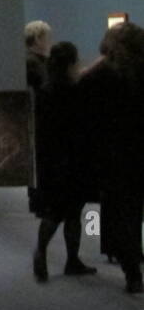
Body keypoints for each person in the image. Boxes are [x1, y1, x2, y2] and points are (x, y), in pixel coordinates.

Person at [78, 22, 144, 293]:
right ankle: (133, 255)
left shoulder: (101, 73)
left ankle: (132, 271)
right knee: (134, 207)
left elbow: (82, 101)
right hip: (139, 147)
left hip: (112, 151)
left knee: (121, 209)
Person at [30, 41, 95, 281]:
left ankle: (42, 249)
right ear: (70, 63)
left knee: (54, 210)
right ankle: (72, 259)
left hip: (51, 159)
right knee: (73, 212)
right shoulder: (74, 91)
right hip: (73, 158)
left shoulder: (46, 91)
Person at [25, 20, 52, 90]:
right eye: (48, 37)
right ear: (37, 39)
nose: (50, 41)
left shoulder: (42, 61)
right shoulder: (31, 63)